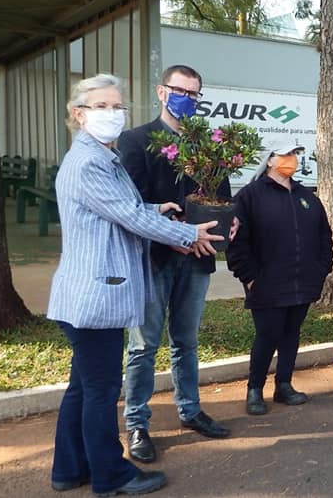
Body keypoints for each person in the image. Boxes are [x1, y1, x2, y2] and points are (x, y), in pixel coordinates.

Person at [47, 74, 222, 495]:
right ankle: (111, 476)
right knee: (101, 392)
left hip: (86, 296)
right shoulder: (90, 161)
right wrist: (187, 234)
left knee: (83, 388)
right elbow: (130, 219)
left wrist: (153, 205)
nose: (112, 113)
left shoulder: (99, 156)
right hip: (95, 296)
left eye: (117, 106)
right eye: (101, 106)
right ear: (78, 114)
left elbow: (124, 207)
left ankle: (70, 469)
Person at [117, 65, 232, 464]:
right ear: (161, 92)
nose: (187, 98)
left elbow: (222, 197)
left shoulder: (210, 148)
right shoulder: (135, 141)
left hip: (197, 259)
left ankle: (190, 408)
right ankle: (137, 423)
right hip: (153, 257)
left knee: (186, 340)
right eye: (179, 90)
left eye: (194, 93)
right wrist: (181, 235)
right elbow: (133, 202)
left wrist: (222, 228)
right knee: (144, 344)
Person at [226, 137, 333, 415]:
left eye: (295, 154)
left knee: (291, 334)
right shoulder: (249, 196)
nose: (292, 159)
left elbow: (324, 235)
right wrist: (249, 277)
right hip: (266, 284)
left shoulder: (306, 196)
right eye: (285, 154)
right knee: (267, 335)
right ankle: (254, 389)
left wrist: (321, 270)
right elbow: (237, 243)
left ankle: (284, 384)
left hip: (303, 282)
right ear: (270, 159)